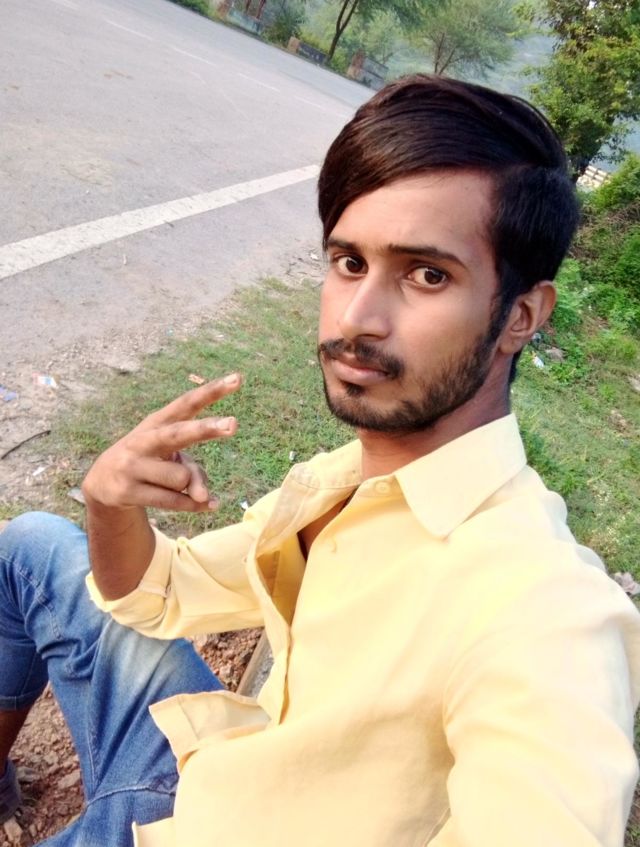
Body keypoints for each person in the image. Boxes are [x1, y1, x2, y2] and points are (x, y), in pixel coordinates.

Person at [1, 74, 639, 846]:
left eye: (428, 274)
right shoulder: (347, 481)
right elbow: (159, 592)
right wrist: (110, 503)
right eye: (349, 262)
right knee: (29, 544)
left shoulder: (544, 608)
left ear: (521, 315)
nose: (357, 319)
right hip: (196, 772)